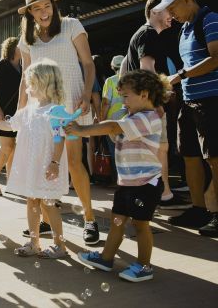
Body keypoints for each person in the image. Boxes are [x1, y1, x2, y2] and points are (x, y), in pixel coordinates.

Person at [69, 70, 170, 282]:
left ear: (144, 94)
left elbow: (113, 127)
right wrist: (113, 131)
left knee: (141, 225)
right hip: (127, 182)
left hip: (145, 184)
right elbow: (116, 134)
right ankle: (106, 259)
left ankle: (144, 266)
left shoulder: (150, 117)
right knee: (117, 221)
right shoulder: (132, 116)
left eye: (126, 96)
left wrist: (81, 129)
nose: (123, 102)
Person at [17, 0, 99, 245]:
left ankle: (89, 219)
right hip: (41, 111)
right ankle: (45, 221)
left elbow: (88, 63)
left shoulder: (72, 25)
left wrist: (86, 94)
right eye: (37, 8)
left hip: (71, 106)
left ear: (54, 5)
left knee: (74, 163)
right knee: (43, 165)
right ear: (30, 12)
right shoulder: (27, 39)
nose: (44, 12)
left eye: (47, 5)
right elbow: (25, 76)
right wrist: (21, 109)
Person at [154, 0, 218, 236]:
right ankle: (199, 209)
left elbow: (215, 58)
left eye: (172, 7)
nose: (171, 14)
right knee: (189, 155)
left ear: (187, 0)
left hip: (211, 100)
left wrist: (179, 76)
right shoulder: (184, 30)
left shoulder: (211, 20)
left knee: (214, 158)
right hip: (189, 101)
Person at [122, 0, 190, 210]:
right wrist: (157, 102)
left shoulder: (140, 35)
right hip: (149, 104)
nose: (172, 15)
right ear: (154, 12)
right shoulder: (149, 34)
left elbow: (124, 69)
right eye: (168, 11)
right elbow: (147, 66)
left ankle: (164, 194)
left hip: (141, 104)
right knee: (159, 149)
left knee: (155, 150)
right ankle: (160, 196)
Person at [0, 60, 68, 258]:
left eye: (31, 83)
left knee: (48, 203)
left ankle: (60, 245)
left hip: (47, 164)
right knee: (32, 201)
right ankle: (34, 242)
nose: (27, 88)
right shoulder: (28, 110)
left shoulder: (55, 110)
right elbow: (10, 125)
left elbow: (59, 138)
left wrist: (55, 163)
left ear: (44, 83)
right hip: (31, 165)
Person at [0, 37, 22, 196]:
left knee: (14, 148)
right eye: (20, 45)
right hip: (3, 113)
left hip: (18, 115)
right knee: (6, 147)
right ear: (13, 48)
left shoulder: (22, 67)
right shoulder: (1, 65)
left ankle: (12, 183)